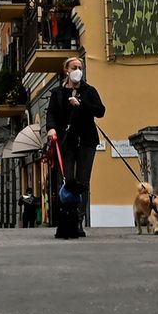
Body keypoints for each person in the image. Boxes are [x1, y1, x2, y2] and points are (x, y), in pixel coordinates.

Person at [45, 56, 105, 239]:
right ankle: (67, 219)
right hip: (66, 141)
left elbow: (100, 111)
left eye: (80, 67)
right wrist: (51, 129)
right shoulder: (57, 93)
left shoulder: (89, 91)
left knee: (83, 181)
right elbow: (51, 113)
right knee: (68, 180)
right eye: (74, 67)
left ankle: (78, 220)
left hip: (87, 141)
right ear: (67, 70)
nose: (78, 69)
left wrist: (82, 104)